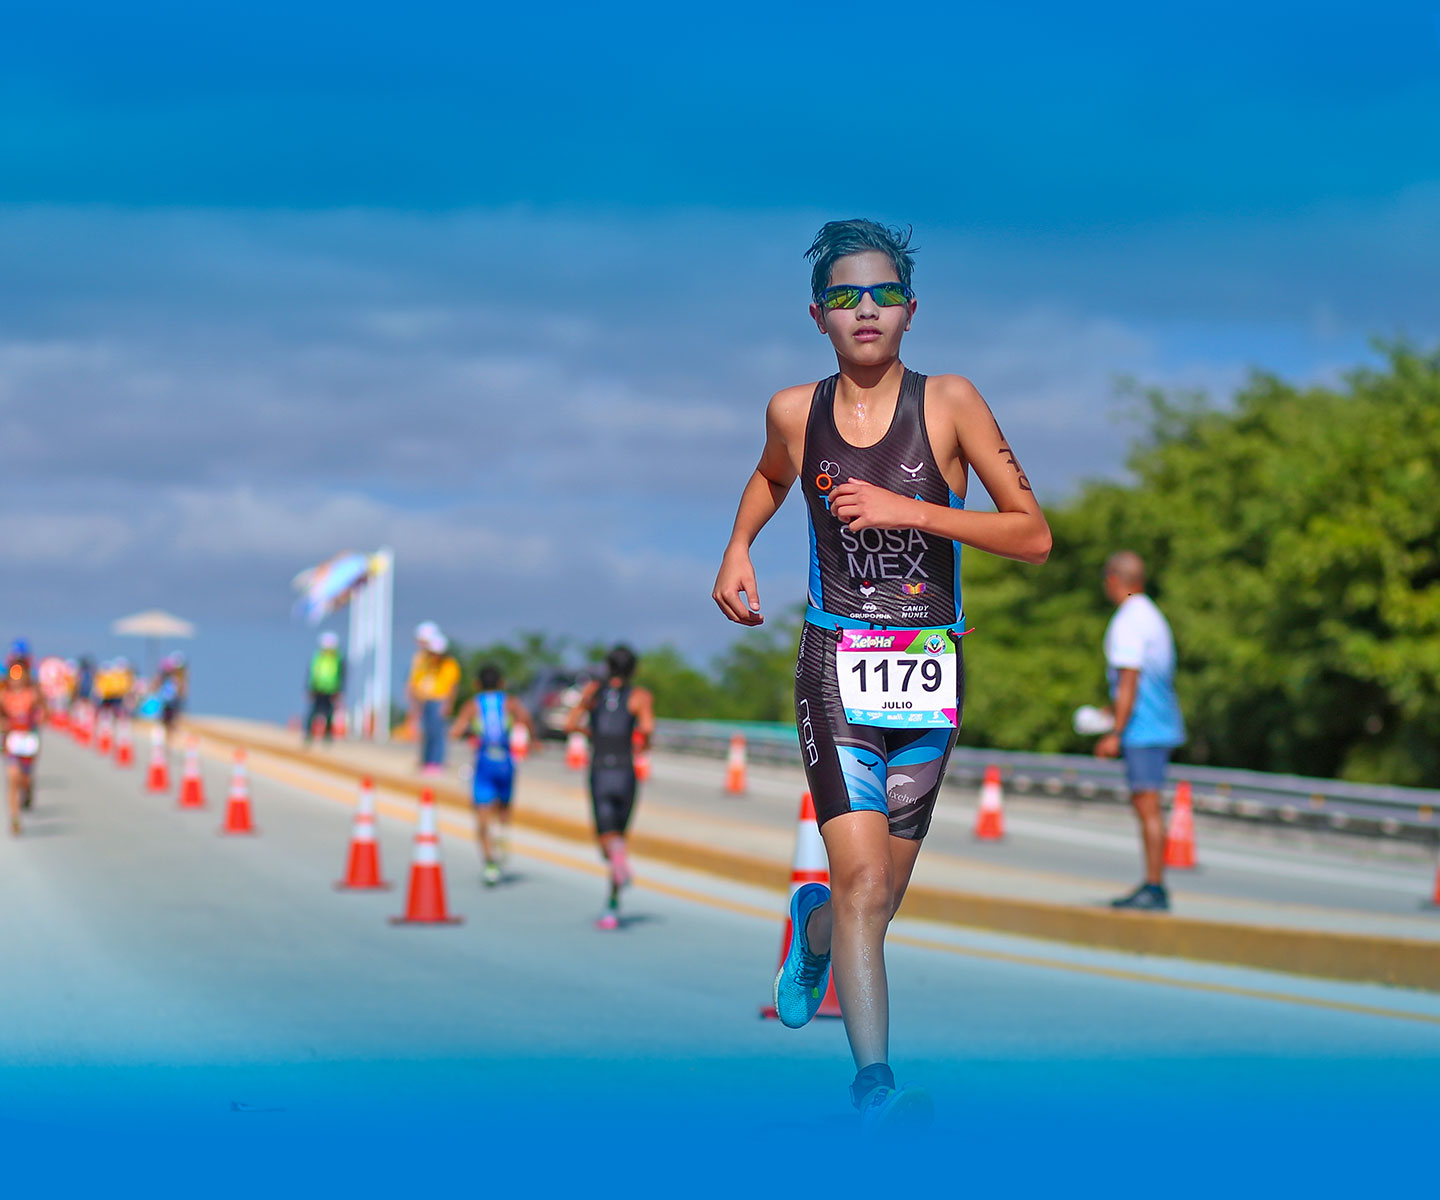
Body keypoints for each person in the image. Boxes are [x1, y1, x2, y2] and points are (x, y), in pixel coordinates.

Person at [711, 219, 1051, 1130]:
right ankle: (875, 1092)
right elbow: (771, 476)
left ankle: (814, 926)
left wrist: (915, 510)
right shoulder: (795, 411)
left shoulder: (952, 403)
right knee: (865, 884)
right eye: (845, 296)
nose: (867, 309)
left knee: (877, 899)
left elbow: (1032, 535)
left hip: (929, 670)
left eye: (885, 294)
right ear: (817, 316)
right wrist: (739, 546)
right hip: (836, 667)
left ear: (911, 310)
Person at [1093, 551, 1186, 911]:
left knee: (1147, 806)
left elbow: (1129, 679)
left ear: (1113, 580)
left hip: (1144, 728)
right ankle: (1153, 883)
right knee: (1147, 804)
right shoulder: (1150, 614)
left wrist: (1115, 731)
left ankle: (1154, 885)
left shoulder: (1128, 620)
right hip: (1157, 722)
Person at [565, 645, 654, 930]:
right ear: (634, 669)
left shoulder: (593, 691)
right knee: (620, 837)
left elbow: (570, 723)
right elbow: (647, 728)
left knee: (607, 840)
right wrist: (642, 745)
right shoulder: (640, 696)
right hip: (625, 771)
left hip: (600, 770)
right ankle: (612, 907)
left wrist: (591, 733)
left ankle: (616, 865)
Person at [449, 664, 535, 886]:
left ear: (477, 684)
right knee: (503, 808)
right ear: (501, 683)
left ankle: (489, 863)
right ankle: (502, 835)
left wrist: (469, 732)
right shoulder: (509, 702)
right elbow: (526, 719)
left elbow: (456, 731)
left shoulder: (473, 705)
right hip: (506, 762)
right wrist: (534, 741)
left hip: (484, 761)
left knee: (481, 813)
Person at [2, 642, 47, 834]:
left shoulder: (33, 692)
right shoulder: (4, 693)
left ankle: (27, 790)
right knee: (13, 776)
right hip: (12, 740)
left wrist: (40, 716)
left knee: (25, 778)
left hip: (29, 739)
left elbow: (44, 710)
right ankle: (14, 818)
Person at [408, 630, 460, 775]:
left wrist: (449, 704)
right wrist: (416, 703)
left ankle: (437, 763)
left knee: (438, 733)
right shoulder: (425, 663)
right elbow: (415, 682)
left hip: (440, 701)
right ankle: (426, 761)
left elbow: (453, 686)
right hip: (426, 701)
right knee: (428, 733)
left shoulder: (450, 665)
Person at [304, 631, 346, 745]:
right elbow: (311, 673)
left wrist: (339, 691)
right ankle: (308, 734)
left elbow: (341, 675)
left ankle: (327, 735)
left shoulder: (338, 659)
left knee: (329, 714)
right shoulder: (317, 657)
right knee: (314, 712)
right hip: (317, 688)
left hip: (331, 690)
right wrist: (309, 688)